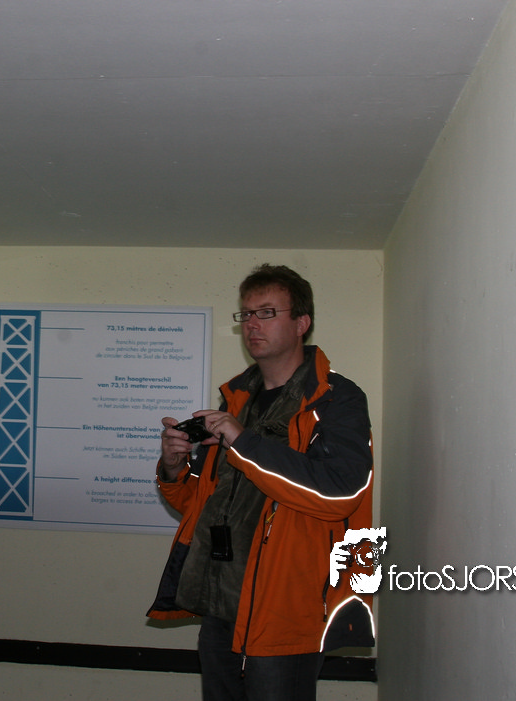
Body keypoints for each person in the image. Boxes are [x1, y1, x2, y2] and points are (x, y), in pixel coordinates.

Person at [147, 264, 375, 701]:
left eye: (267, 312)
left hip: (288, 604)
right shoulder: (236, 400)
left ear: (301, 323)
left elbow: (340, 493)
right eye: (246, 314)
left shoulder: (336, 399)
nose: (252, 324)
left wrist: (242, 440)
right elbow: (205, 504)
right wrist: (174, 469)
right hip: (222, 600)